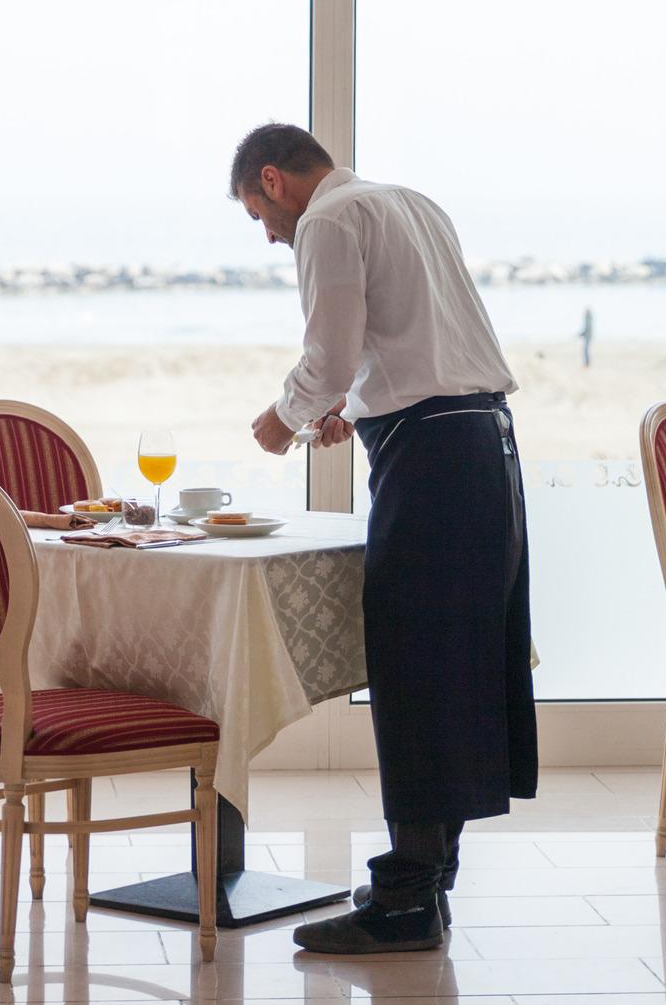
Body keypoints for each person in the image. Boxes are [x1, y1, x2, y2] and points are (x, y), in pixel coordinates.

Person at [228, 123, 536, 955]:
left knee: (415, 669)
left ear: (274, 179)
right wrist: (355, 406)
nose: (268, 235)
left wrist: (284, 417)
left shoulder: (328, 219)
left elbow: (328, 355)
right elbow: (416, 342)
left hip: (432, 460)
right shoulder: (412, 203)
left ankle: (405, 904)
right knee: (455, 666)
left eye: (258, 213)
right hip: (486, 444)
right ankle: (425, 882)